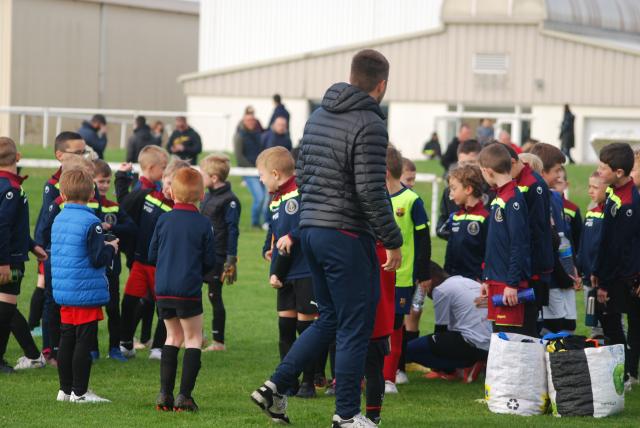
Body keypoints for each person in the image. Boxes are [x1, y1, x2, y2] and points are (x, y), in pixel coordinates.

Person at [250, 49, 402, 428]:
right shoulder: (370, 123)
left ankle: (275, 387)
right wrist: (392, 239)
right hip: (346, 235)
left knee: (329, 320)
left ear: (351, 77)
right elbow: (370, 190)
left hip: (312, 231)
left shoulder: (319, 115)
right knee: (354, 327)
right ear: (381, 84)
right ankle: (346, 416)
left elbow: (305, 175)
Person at [149, 167, 215, 412]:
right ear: (201, 195)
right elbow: (209, 261)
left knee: (172, 337)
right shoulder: (202, 223)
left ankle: (164, 394)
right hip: (187, 289)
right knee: (193, 339)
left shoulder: (163, 219)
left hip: (163, 289)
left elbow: (152, 254)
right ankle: (184, 396)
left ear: (172, 193)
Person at [51, 168, 118, 402]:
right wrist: (111, 249)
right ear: (91, 193)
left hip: (64, 289)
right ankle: (80, 392)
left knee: (66, 339)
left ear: (63, 192)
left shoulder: (59, 217)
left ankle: (64, 390)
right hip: (85, 290)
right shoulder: (92, 221)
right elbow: (97, 258)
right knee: (84, 341)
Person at [258, 146, 319, 398]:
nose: (260, 180)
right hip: (283, 272)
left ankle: (308, 382)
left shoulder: (300, 193)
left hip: (305, 270)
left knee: (306, 330)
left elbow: (307, 224)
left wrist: (291, 237)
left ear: (274, 173)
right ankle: (289, 381)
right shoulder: (276, 198)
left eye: (261, 175)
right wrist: (267, 248)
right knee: (285, 328)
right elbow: (275, 229)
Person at [118, 159, 190, 359]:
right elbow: (124, 207)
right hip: (140, 263)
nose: (170, 189)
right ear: (163, 179)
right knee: (130, 301)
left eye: (175, 186)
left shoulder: (180, 211)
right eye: (168, 183)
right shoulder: (147, 196)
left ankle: (159, 347)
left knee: (164, 308)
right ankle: (125, 343)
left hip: (164, 267)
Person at [33, 132, 87, 365]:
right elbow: (45, 223)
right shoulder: (53, 186)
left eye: (84, 152)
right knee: (52, 301)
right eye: (78, 152)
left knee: (67, 301)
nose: (83, 156)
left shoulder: (83, 183)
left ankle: (70, 347)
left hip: (72, 254)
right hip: (54, 253)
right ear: (60, 155)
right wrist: (43, 251)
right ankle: (49, 349)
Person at [383, 145, 431, 395]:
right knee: (374, 326)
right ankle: (372, 374)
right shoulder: (372, 200)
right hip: (375, 276)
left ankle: (391, 376)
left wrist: (422, 275)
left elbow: (423, 241)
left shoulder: (411, 200)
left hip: (402, 276)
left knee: (394, 326)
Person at [592, 143, 640, 389]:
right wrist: (596, 270)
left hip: (623, 276)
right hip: (610, 272)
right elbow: (606, 240)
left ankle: (622, 374)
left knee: (615, 321)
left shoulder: (629, 203)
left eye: (603, 167)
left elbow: (618, 249)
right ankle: (621, 371)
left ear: (619, 172)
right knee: (609, 320)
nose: (599, 170)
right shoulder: (613, 192)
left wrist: (605, 282)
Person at [0, 137, 47, 373]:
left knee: (6, 306)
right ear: (17, 158)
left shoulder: (8, 186)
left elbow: (13, 225)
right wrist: (4, 263)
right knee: (6, 307)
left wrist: (31, 245)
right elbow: (3, 226)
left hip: (12, 253)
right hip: (9, 259)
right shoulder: (11, 189)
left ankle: (32, 354)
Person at [478, 143, 534, 336]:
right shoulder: (498, 197)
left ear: (487, 171)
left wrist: (512, 283)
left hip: (508, 284)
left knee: (510, 341)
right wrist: (487, 278)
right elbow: (494, 244)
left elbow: (519, 244)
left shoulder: (513, 199)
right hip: (496, 280)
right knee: (498, 336)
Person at [406, 262, 490, 383]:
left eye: (420, 283)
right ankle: (472, 363)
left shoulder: (441, 290)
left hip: (472, 343)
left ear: (431, 279)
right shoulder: (465, 280)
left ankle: (452, 370)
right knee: (445, 340)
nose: (421, 289)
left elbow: (441, 330)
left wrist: (437, 368)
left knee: (409, 350)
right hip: (489, 344)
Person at [530, 143, 579, 333]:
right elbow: (547, 242)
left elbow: (564, 237)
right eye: (557, 171)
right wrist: (560, 273)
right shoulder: (535, 199)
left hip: (565, 274)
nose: (560, 176)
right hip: (549, 279)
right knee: (551, 329)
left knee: (569, 326)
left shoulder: (556, 198)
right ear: (542, 172)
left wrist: (573, 266)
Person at [91, 160, 137, 362]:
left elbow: (132, 228)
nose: (104, 185)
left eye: (107, 181)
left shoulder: (113, 207)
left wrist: (111, 228)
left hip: (111, 268)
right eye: (100, 181)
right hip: (92, 268)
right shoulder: (86, 206)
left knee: (112, 309)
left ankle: (114, 349)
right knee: (92, 310)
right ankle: (92, 350)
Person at [199, 154, 240, 352]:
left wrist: (230, 260)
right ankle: (197, 335)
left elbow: (233, 230)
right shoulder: (207, 196)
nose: (200, 177)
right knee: (192, 294)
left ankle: (219, 342)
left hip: (218, 256)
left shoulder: (230, 201)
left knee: (215, 296)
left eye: (203, 174)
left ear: (214, 177)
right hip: (201, 254)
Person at [508, 145, 554, 312]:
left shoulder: (534, 184)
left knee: (528, 320)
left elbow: (537, 229)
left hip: (532, 267)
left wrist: (525, 266)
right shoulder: (514, 182)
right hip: (521, 264)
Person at [364, 241, 396, 424]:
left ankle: (352, 415)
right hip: (380, 318)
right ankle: (373, 417)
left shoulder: (356, 246)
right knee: (374, 369)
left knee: (363, 370)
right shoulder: (388, 249)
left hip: (362, 320)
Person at [443, 164, 488, 281]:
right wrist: (446, 274)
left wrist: (484, 277)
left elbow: (490, 252)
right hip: (454, 279)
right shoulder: (456, 217)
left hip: (476, 281)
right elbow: (450, 250)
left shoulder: (485, 217)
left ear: (468, 189)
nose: (450, 195)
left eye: (453, 189)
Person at [577, 171, 606, 337]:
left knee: (611, 322)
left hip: (604, 280)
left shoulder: (611, 214)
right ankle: (598, 357)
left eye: (595, 187)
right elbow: (583, 244)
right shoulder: (591, 212)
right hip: (588, 279)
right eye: (589, 186)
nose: (590, 191)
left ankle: (618, 358)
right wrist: (580, 270)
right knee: (592, 322)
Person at [436, 140, 484, 240]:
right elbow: (443, 220)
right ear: (457, 163)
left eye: (471, 162)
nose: (467, 166)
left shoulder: (489, 190)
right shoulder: (449, 191)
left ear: (480, 162)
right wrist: (455, 234)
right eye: (463, 163)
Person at [234, 113, 267, 228]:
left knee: (267, 197)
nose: (251, 122)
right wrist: (253, 168)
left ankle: (266, 222)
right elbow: (239, 157)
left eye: (253, 120)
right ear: (243, 121)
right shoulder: (239, 136)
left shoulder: (258, 135)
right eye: (248, 120)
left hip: (260, 170)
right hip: (248, 172)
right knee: (260, 197)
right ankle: (255, 223)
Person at [555, 166, 582, 251]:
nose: (554, 186)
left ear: (566, 185)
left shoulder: (573, 209)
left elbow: (578, 238)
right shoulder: (543, 205)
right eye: (553, 182)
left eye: (558, 182)